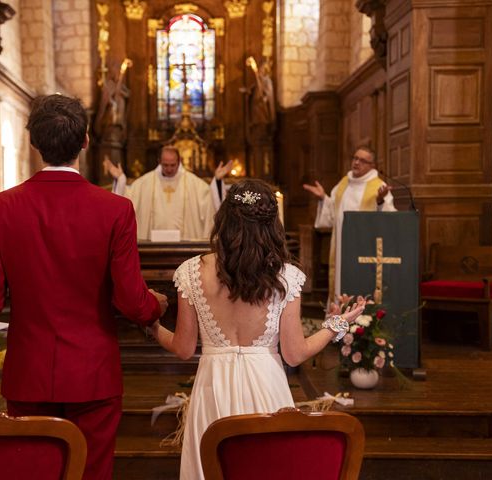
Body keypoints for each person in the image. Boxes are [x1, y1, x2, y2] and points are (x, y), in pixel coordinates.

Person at [0, 94, 168, 480]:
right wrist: (155, 306)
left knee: (34, 473)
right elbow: (130, 300)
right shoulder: (115, 209)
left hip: (29, 370)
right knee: (91, 472)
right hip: (93, 372)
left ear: (34, 142)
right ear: (86, 140)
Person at [150, 179, 366, 480]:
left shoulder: (190, 271)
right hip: (267, 384)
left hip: (213, 388)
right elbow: (294, 353)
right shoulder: (287, 277)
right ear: (271, 224)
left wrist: (152, 325)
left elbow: (183, 349)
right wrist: (338, 324)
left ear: (223, 219)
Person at [303, 145, 396, 300]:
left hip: (364, 250)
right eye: (355, 158)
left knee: (360, 286)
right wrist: (323, 199)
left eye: (363, 160)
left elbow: (389, 221)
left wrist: (380, 201)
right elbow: (333, 215)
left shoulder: (379, 187)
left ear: (372, 166)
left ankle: (361, 321)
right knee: (340, 285)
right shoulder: (344, 184)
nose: (357, 162)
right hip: (341, 249)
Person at [104, 147, 233, 241]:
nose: (169, 169)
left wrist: (217, 181)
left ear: (179, 161)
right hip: (153, 245)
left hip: (184, 245)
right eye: (165, 165)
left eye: (173, 165)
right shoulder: (146, 182)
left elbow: (210, 198)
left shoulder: (192, 182)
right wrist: (120, 180)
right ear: (159, 161)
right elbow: (128, 199)